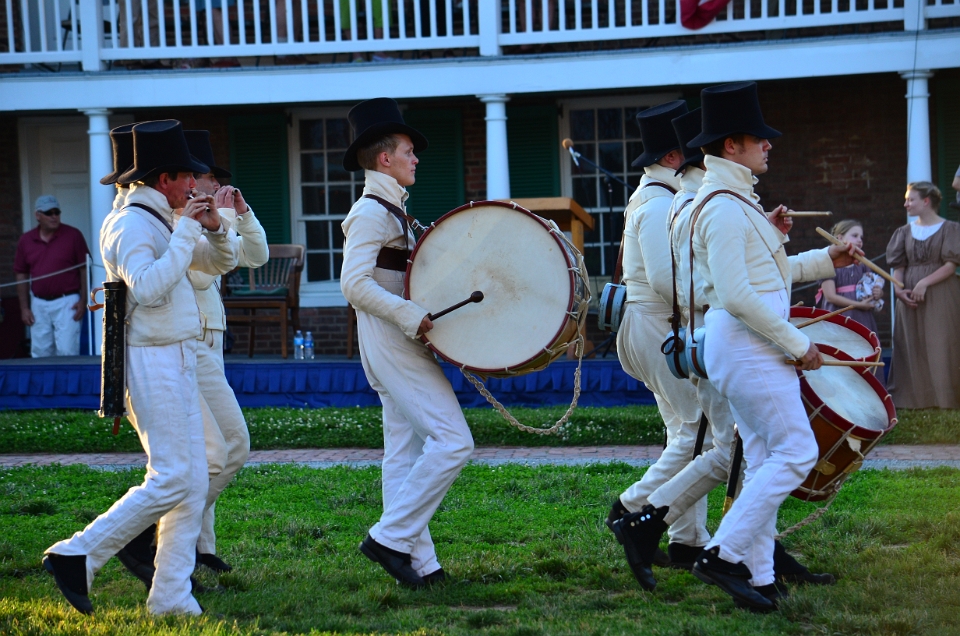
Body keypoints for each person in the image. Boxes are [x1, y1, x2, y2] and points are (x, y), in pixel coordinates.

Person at [623, 82, 857, 612]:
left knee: (763, 458)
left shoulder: (731, 201)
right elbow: (732, 294)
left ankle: (761, 572)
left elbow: (762, 278)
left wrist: (825, 260)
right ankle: (723, 555)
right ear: (732, 145)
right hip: (747, 345)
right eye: (760, 138)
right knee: (796, 452)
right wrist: (798, 344)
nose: (769, 145)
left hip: (743, 342)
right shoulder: (722, 206)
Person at [42, 120, 237, 616]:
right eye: (188, 176)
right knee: (172, 477)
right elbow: (148, 289)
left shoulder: (166, 220)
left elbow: (220, 264)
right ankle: (76, 552)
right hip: (149, 361)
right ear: (163, 178)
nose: (197, 185)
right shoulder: (129, 224)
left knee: (191, 482)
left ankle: (170, 594)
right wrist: (191, 227)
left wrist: (214, 229)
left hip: (177, 354)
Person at [340, 98, 473, 589]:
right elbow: (353, 284)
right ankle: (388, 540)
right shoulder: (371, 213)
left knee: (402, 450)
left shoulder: (391, 207)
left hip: (392, 335)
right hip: (390, 337)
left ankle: (420, 564)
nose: (416, 159)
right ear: (384, 159)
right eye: (408, 151)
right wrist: (409, 315)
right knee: (454, 441)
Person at [607, 100, 712, 592]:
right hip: (653, 325)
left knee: (686, 432)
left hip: (653, 325)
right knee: (697, 436)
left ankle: (689, 540)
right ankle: (631, 507)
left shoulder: (655, 196)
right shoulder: (657, 204)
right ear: (673, 157)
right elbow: (668, 282)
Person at [185, 130, 269, 571]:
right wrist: (221, 224)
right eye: (206, 178)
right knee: (224, 447)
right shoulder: (180, 220)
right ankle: (174, 535)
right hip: (190, 339)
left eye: (214, 179)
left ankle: (203, 547)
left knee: (210, 452)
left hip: (211, 338)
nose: (213, 186)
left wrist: (241, 212)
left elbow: (257, 254)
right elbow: (204, 275)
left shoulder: (213, 216)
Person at [886, 182, 960, 409]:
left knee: (941, 341)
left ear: (926, 201)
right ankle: (912, 399)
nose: (906, 203)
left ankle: (944, 399)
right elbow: (898, 265)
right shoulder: (903, 232)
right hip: (908, 295)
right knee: (912, 342)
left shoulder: (950, 229)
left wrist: (924, 283)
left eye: (911, 199)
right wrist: (898, 288)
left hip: (940, 292)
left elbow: (951, 265)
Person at [14, 196, 90, 357]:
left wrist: (84, 301)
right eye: (49, 213)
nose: (54, 216)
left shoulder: (73, 235)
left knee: (68, 350)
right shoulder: (26, 240)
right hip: (39, 302)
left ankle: (68, 383)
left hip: (68, 301)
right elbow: (21, 273)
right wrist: (24, 308)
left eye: (57, 212)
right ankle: (43, 384)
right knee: (40, 352)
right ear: (38, 215)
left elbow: (85, 269)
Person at [816, 220, 883, 333]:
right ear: (840, 237)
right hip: (839, 316)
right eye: (854, 236)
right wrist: (858, 305)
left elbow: (871, 289)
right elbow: (830, 296)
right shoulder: (828, 263)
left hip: (861, 317)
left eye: (861, 237)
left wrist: (878, 293)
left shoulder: (862, 264)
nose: (859, 240)